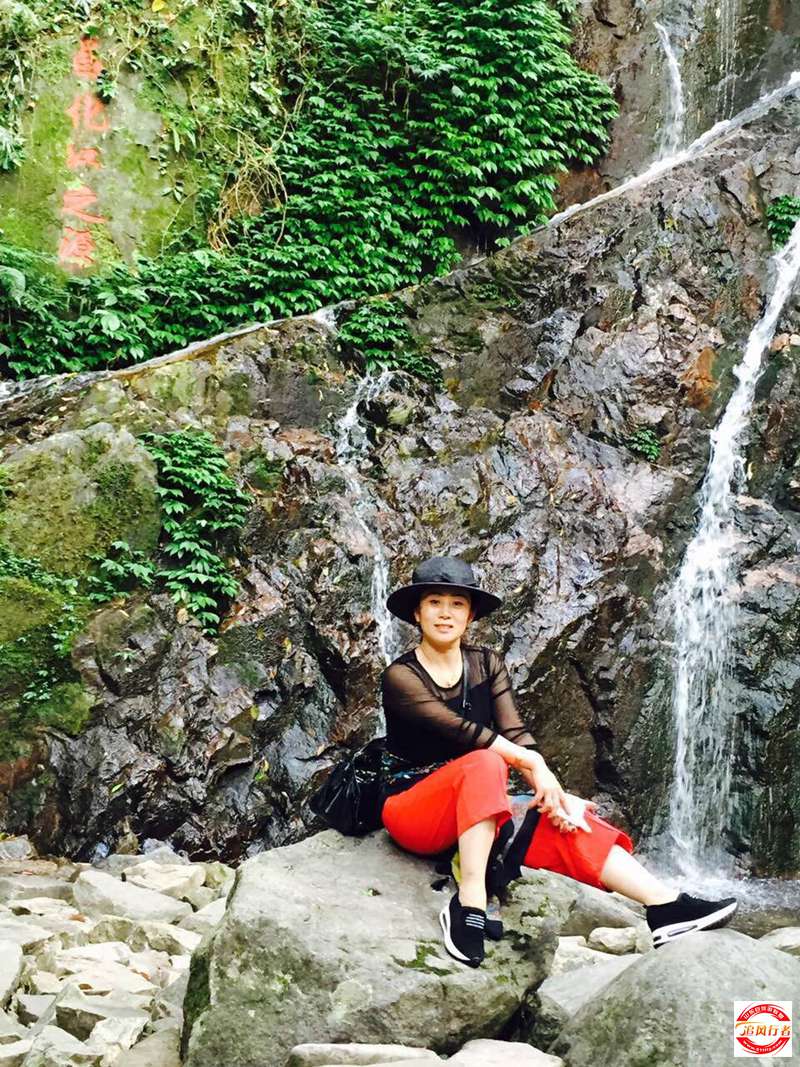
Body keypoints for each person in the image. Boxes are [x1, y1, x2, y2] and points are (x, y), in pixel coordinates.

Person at [380, 555, 739, 967]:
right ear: (417, 612)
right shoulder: (400, 676)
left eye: (457, 604)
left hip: (475, 810)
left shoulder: (487, 663)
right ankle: (469, 902)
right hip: (412, 809)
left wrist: (553, 794)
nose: (445, 613)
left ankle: (664, 907)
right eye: (434, 602)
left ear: (470, 614)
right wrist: (537, 770)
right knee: (486, 762)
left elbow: (515, 733)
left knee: (563, 816)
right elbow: (466, 733)